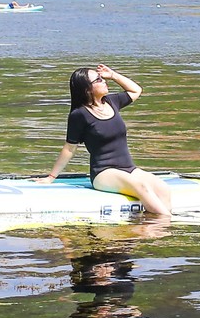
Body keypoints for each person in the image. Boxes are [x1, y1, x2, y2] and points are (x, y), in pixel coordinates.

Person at [38, 64, 172, 218]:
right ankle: (165, 224)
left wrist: (114, 75)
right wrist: (51, 178)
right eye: (99, 79)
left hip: (129, 168)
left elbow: (136, 90)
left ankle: (149, 225)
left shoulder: (111, 102)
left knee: (163, 188)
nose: (104, 81)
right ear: (87, 89)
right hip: (104, 173)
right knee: (141, 186)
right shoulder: (79, 114)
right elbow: (69, 148)